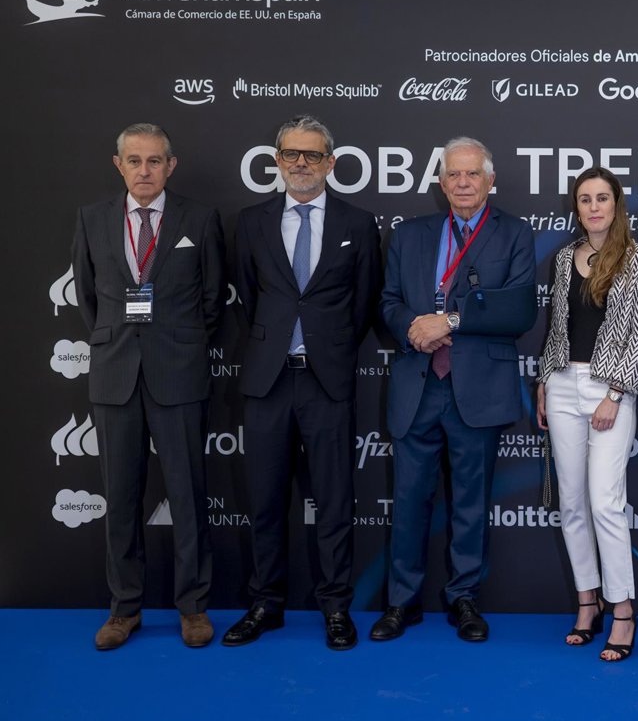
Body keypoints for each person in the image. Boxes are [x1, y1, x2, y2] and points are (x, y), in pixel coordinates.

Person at [222, 115, 382, 651]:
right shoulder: (252, 221)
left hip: (327, 382)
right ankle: (265, 604)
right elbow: (249, 297)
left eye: (313, 155)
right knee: (265, 501)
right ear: (277, 161)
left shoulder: (359, 224)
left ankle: (335, 607)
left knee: (334, 501)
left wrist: (327, 347)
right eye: (291, 154)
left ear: (330, 163)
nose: (301, 164)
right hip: (267, 381)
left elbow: (363, 304)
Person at [372, 137, 536, 644]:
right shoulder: (410, 235)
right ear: (441, 183)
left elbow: (518, 310)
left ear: (491, 180)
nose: (463, 183)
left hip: (477, 389)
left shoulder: (514, 233)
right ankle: (401, 602)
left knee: (471, 504)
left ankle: (464, 598)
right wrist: (414, 328)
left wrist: (450, 321)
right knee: (409, 502)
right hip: (418, 385)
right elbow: (389, 301)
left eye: (473, 174)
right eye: (454, 175)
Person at [72, 123, 226, 650]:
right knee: (120, 499)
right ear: (119, 165)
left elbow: (212, 300)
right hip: (115, 373)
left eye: (154, 161)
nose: (144, 171)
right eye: (134, 161)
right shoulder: (92, 218)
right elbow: (89, 298)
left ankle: (193, 607)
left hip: (178, 372)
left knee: (188, 496)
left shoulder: (199, 219)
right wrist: (118, 340)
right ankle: (124, 608)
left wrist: (177, 344)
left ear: (170, 165)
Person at [535, 167, 638, 662]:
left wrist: (616, 393)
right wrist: (545, 381)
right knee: (572, 503)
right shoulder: (564, 258)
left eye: (602, 198)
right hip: (563, 385)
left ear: (616, 203)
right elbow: (557, 327)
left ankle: (623, 609)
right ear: (577, 208)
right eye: (585, 199)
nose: (594, 207)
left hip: (610, 389)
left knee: (606, 502)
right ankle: (589, 602)